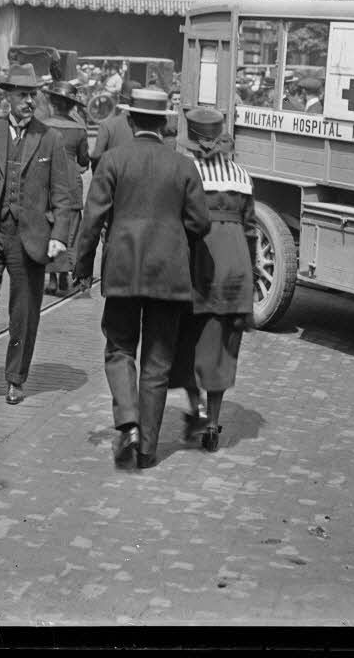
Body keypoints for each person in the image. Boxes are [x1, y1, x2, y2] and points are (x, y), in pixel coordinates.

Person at [73, 86, 210, 472]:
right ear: (164, 123)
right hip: (170, 276)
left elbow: (92, 218)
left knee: (119, 349)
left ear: (131, 121)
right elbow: (200, 222)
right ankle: (148, 451)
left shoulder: (114, 161)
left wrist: (82, 266)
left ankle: (128, 421)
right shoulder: (184, 166)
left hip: (123, 269)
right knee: (157, 361)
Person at [0, 63, 74, 406]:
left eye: (32, 94)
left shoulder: (50, 138)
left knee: (23, 311)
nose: (29, 101)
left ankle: (16, 378)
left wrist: (59, 235)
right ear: (7, 98)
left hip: (29, 237)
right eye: (22, 95)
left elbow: (62, 194)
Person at [169, 108, 258, 453]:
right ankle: (212, 423)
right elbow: (249, 224)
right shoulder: (241, 175)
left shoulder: (186, 173)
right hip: (235, 267)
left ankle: (196, 406)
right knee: (222, 346)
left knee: (187, 339)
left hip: (198, 262)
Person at [43, 81, 91, 296]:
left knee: (48, 224)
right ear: (72, 106)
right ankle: (64, 275)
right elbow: (84, 160)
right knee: (71, 228)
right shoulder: (79, 129)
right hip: (71, 181)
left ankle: (52, 277)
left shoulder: (42, 126)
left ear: (52, 103)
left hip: (47, 180)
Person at [90, 82, 136, 170]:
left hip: (114, 175)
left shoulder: (107, 124)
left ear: (119, 98)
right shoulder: (149, 126)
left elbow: (96, 156)